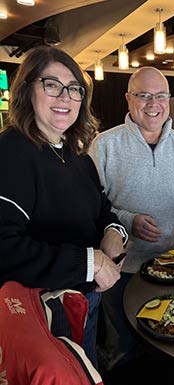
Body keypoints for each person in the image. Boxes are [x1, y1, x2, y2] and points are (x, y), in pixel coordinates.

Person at [0, 45, 128, 371]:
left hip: (85, 300)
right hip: (41, 315)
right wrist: (93, 261)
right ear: (27, 90)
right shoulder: (11, 151)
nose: (65, 97)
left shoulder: (77, 155)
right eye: (52, 85)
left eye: (74, 89)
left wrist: (114, 232)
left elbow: (102, 210)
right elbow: (5, 249)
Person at [89, 66, 174, 370]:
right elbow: (92, 206)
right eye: (143, 95)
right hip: (122, 272)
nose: (153, 103)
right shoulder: (105, 145)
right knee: (124, 351)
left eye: (160, 96)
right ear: (128, 99)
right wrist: (128, 220)